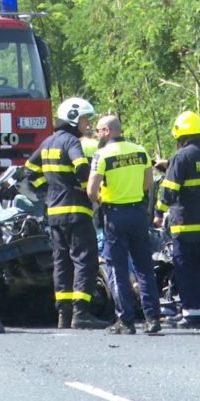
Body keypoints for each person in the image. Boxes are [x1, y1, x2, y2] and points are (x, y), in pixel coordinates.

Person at [25, 98, 109, 330]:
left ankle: (64, 315)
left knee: (61, 262)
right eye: (84, 119)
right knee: (85, 259)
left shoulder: (48, 142)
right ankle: (81, 313)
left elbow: (30, 170)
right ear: (74, 119)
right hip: (76, 211)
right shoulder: (72, 141)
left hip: (54, 213)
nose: (87, 124)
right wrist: (85, 187)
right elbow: (82, 167)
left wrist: (47, 190)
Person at [87, 115, 162, 334]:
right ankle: (152, 318)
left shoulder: (102, 155)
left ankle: (125, 320)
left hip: (115, 215)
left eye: (99, 130)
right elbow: (148, 183)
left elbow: (91, 192)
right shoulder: (140, 150)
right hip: (138, 214)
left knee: (117, 268)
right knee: (144, 267)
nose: (97, 134)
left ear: (108, 131)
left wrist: (103, 198)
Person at [153, 111, 200, 329]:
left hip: (186, 223)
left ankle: (192, 314)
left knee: (187, 268)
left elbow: (170, 190)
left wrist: (158, 212)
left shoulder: (181, 156)